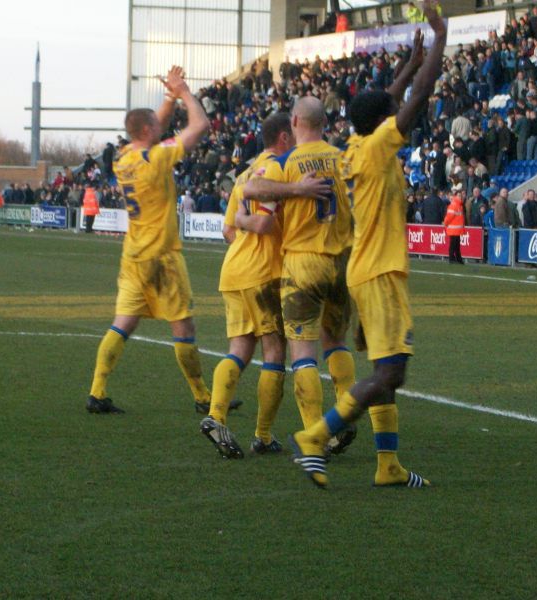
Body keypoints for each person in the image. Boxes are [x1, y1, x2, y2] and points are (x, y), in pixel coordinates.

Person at [288, 0, 445, 489]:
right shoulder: (377, 146)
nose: (398, 111)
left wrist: (408, 64)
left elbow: (386, 99)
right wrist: (439, 38)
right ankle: (316, 434)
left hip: (366, 268)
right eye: (392, 113)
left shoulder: (356, 142)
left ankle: (388, 466)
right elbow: (417, 98)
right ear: (384, 121)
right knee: (390, 375)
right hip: (379, 272)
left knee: (384, 371)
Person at [85, 65, 216, 415]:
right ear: (147, 131)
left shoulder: (125, 158)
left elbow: (151, 128)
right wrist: (186, 92)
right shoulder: (156, 158)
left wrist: (168, 97)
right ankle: (203, 396)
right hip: (162, 257)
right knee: (184, 326)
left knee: (123, 322)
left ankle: (97, 391)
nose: (163, 126)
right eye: (156, 126)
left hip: (133, 255)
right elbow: (200, 126)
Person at [200, 113, 322, 458]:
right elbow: (266, 226)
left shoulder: (243, 175)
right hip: (264, 273)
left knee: (238, 349)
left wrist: (241, 221)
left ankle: (215, 415)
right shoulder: (276, 171)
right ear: (284, 137)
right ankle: (263, 435)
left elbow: (228, 232)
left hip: (233, 271)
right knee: (275, 353)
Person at [243, 97, 356, 455]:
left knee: (302, 350)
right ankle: (345, 416)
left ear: (294, 121)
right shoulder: (344, 160)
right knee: (336, 341)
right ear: (324, 123)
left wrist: (295, 189)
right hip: (342, 262)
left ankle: (316, 434)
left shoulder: (285, 161)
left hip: (304, 262)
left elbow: (251, 189)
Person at [443, 192, 466, 264]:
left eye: (461, 195)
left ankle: (457, 259)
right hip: (454, 229)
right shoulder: (455, 205)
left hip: (456, 229)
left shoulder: (459, 205)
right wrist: (445, 223)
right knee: (453, 245)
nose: (461, 197)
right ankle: (452, 258)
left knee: (456, 245)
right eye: (459, 195)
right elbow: (449, 217)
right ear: (455, 196)